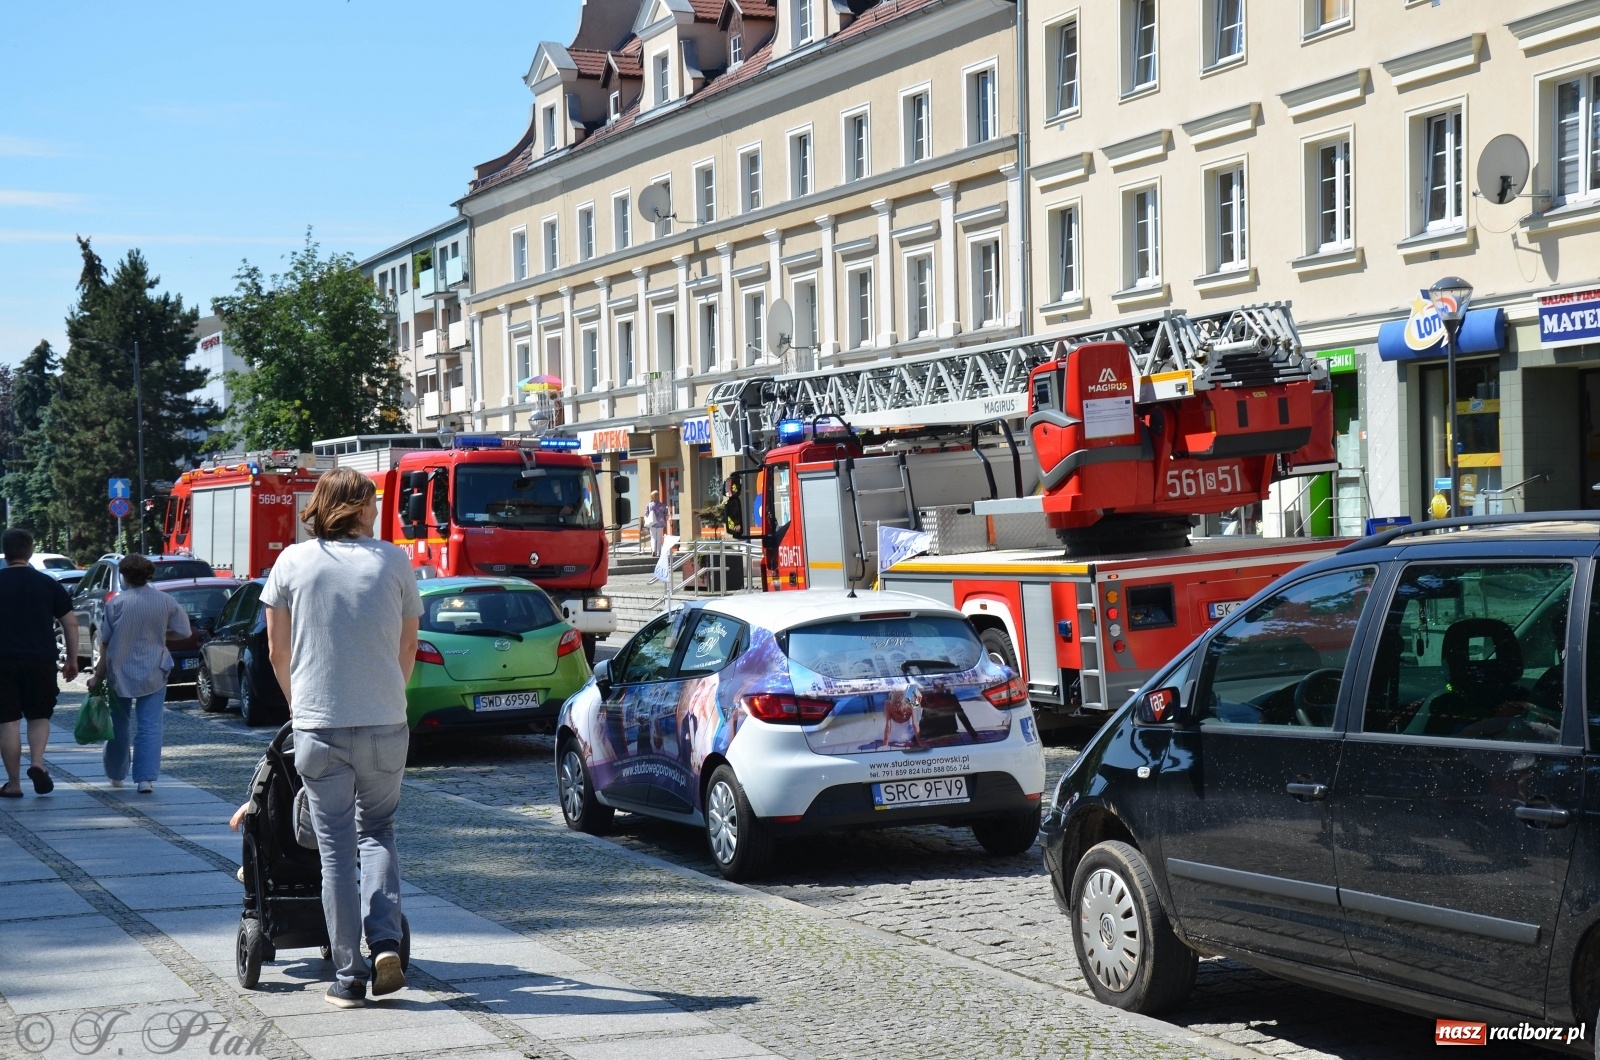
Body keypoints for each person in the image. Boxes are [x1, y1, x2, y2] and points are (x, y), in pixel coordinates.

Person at [262, 467, 422, 1009]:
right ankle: (385, 943)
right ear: (358, 507)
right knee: (378, 830)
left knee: (334, 849)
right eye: (373, 502)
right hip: (384, 722)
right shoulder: (393, 561)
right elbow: (407, 649)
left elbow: (277, 653)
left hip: (317, 725)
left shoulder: (290, 563)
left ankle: (349, 976)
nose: (378, 510)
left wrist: (298, 705)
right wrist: (387, 698)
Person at [91, 554, 191, 793]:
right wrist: (161, 635)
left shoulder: (116, 603)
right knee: (150, 725)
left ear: (124, 576)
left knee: (119, 725)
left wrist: (97, 674)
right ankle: (145, 778)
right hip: (155, 669)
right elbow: (184, 631)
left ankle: (116, 773)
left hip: (120, 670)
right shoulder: (165, 601)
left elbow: (105, 642)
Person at [0, 529, 78, 798]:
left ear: (6, 552)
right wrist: (70, 659)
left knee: (8, 722)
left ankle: (13, 783)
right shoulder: (47, 583)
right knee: (39, 716)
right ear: (29, 552)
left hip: (3, 661)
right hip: (41, 660)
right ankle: (37, 763)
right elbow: (69, 623)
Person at [644, 491, 668, 558]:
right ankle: (658, 552)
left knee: (653, 537)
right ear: (658, 496)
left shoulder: (649, 505)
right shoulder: (662, 505)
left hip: (652, 523)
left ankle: (653, 550)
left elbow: (646, 514)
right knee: (659, 537)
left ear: (652, 497)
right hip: (660, 523)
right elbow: (665, 512)